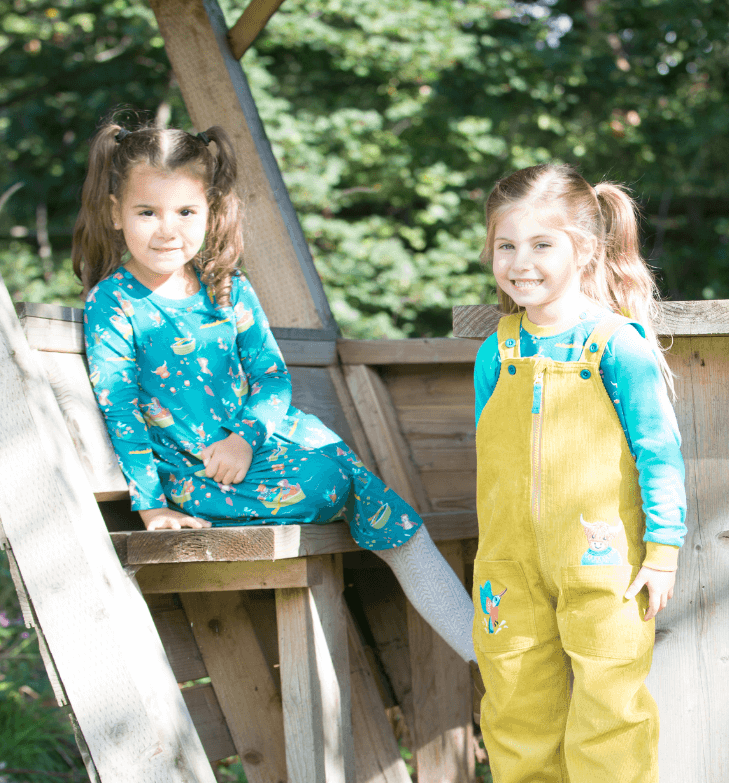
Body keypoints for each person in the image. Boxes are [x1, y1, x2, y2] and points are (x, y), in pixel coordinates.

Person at [70, 120, 473, 663]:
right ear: (116, 213)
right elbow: (119, 408)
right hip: (198, 474)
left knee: (377, 505)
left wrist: (245, 437)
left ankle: (486, 656)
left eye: (186, 212)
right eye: (148, 212)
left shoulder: (226, 287)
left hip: (255, 448)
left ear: (210, 211)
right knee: (334, 481)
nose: (168, 230)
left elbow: (271, 377)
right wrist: (151, 509)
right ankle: (486, 654)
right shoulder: (114, 303)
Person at [447, 165, 685, 783]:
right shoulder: (500, 346)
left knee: (609, 699)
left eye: (541, 244)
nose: (520, 263)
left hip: (605, 563)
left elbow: (660, 450)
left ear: (583, 249)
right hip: (508, 565)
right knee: (514, 697)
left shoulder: (617, 344)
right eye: (505, 246)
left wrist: (664, 549)